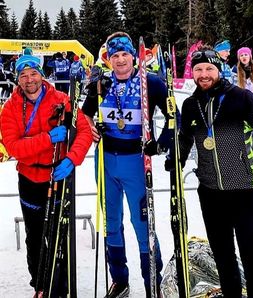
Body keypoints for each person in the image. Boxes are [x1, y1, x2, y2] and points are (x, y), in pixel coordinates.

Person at [168, 47, 253, 298]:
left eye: (209, 69)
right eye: (198, 69)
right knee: (224, 258)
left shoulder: (241, 98)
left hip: (244, 191)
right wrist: (176, 159)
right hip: (210, 193)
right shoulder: (190, 105)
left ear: (218, 70)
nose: (204, 74)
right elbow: (184, 139)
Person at [82, 31, 172, 298]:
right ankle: (120, 280)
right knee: (111, 223)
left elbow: (172, 116)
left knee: (143, 225)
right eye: (114, 56)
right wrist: (92, 128)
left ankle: (151, 283)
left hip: (136, 162)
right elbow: (85, 111)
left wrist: (160, 143)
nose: (120, 60)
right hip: (106, 162)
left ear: (134, 55)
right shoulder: (102, 83)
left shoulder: (151, 83)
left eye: (124, 54)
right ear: (108, 59)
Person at [0, 51, 93, 297]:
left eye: (33, 73)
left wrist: (73, 159)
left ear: (41, 75)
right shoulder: (9, 108)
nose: (29, 79)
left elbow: (83, 132)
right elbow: (14, 147)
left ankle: (61, 285)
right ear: (17, 79)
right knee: (36, 237)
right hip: (30, 179)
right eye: (23, 75)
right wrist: (47, 139)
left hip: (60, 176)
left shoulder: (61, 99)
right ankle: (40, 284)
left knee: (60, 233)